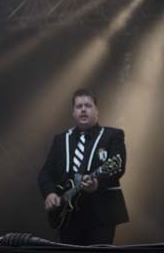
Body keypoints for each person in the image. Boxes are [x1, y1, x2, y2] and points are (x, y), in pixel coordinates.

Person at [38, 88, 129, 245]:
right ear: (73, 112)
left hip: (101, 214)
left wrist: (97, 183)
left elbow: (118, 167)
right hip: (68, 216)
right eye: (79, 106)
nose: (83, 110)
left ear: (97, 111)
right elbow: (45, 173)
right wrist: (50, 193)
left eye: (88, 105)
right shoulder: (60, 139)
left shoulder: (112, 136)